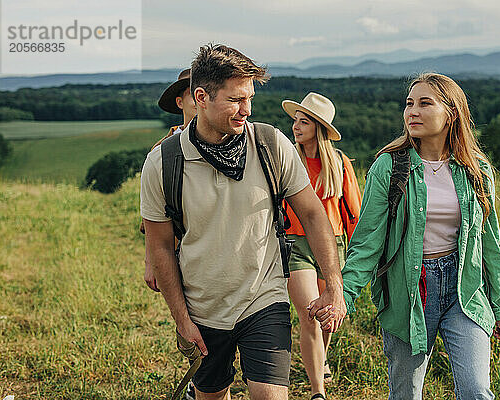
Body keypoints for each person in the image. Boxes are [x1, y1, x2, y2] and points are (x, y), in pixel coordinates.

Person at [140, 44, 346, 400]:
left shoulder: (270, 144)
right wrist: (181, 320)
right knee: (211, 395)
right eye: (235, 100)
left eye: (249, 98)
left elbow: (313, 213)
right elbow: (159, 244)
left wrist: (334, 283)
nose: (246, 111)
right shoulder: (163, 161)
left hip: (263, 298)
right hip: (202, 306)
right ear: (201, 97)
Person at [326, 73, 500, 399]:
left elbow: (489, 242)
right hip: (409, 290)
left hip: (464, 291)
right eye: (409, 103)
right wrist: (344, 295)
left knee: (476, 391)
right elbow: (368, 241)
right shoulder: (389, 166)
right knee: (406, 394)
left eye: (425, 103)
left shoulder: (476, 170)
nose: (412, 111)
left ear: (451, 113)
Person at [280, 93, 361, 400]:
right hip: (296, 244)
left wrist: (356, 256)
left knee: (328, 316)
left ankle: (319, 360)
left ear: (319, 128)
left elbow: (353, 212)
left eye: (303, 122)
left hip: (333, 246)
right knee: (309, 314)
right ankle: (318, 391)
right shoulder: (288, 160)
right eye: (295, 121)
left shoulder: (339, 164)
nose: (296, 127)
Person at [141, 67, 197, 292]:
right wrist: (150, 262)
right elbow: (150, 216)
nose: (200, 100)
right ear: (180, 102)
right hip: (177, 246)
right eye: (193, 94)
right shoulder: (163, 150)